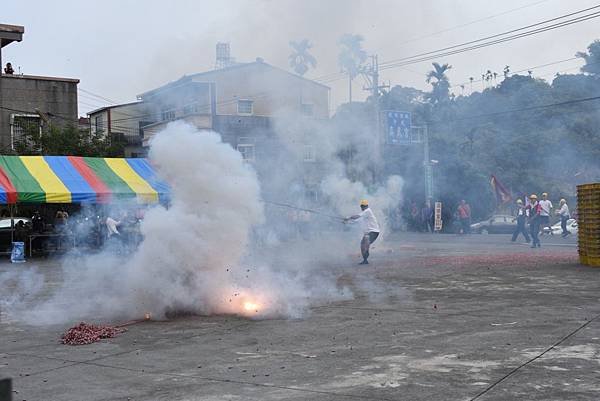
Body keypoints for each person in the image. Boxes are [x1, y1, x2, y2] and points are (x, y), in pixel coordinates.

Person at [344, 199, 380, 265]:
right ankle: (365, 260)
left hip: (374, 232)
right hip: (370, 233)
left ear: (367, 206)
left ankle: (366, 256)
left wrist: (349, 217)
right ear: (361, 206)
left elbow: (357, 216)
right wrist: (346, 222)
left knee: (365, 242)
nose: (363, 207)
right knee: (362, 244)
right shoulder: (364, 215)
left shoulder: (368, 211)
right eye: (363, 206)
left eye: (364, 206)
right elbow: (356, 221)